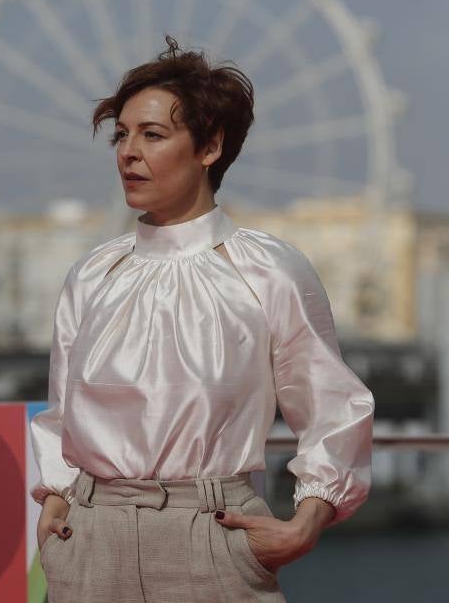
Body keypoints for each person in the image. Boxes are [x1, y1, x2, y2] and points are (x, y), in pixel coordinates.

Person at [30, 36, 375, 602]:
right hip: (88, 538)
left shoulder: (270, 270)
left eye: (153, 135)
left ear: (210, 146)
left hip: (214, 535)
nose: (127, 152)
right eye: (122, 135)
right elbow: (62, 413)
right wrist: (57, 497)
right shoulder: (92, 274)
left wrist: (303, 526)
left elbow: (333, 407)